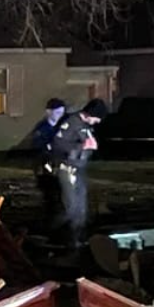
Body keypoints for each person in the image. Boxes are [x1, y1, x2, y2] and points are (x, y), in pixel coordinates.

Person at [44, 98, 107, 248]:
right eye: (97, 118)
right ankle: (54, 235)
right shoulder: (71, 123)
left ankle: (77, 239)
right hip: (67, 169)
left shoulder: (85, 126)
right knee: (71, 208)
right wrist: (81, 146)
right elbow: (58, 144)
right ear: (89, 114)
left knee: (81, 209)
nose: (97, 122)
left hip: (79, 170)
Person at [30, 98, 67, 231]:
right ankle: (50, 223)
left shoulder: (62, 127)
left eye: (62, 113)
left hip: (59, 167)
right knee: (51, 195)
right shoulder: (42, 129)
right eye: (57, 113)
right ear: (48, 112)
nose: (60, 116)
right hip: (46, 169)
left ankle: (59, 221)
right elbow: (38, 146)